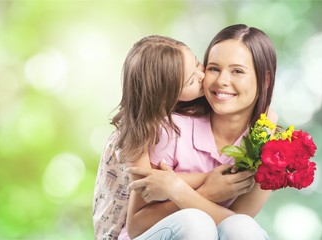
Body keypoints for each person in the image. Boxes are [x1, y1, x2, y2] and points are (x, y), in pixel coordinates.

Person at [92, 35, 255, 239]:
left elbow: (165, 183)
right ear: (167, 94)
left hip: (170, 225)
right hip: (120, 233)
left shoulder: (192, 113)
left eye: (197, 64)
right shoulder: (140, 132)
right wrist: (208, 184)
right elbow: (150, 184)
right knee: (196, 222)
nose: (202, 76)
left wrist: (173, 185)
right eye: (190, 80)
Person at [126, 24, 278, 240]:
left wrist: (177, 189)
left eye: (237, 71)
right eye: (214, 68)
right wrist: (207, 190)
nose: (221, 81)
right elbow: (136, 227)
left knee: (242, 227)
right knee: (195, 222)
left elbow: (236, 224)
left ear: (265, 80)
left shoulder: (268, 147)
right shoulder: (171, 130)